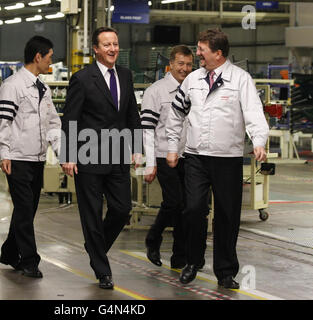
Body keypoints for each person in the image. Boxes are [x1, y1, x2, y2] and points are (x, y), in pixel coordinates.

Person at [166, 29, 269, 289]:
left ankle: (225, 271)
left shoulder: (241, 79)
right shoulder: (192, 80)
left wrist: (258, 142)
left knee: (227, 215)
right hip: (196, 157)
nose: (197, 53)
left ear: (218, 53)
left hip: (227, 159)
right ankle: (193, 261)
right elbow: (176, 114)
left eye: (202, 50)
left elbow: (254, 113)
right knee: (193, 210)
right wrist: (171, 147)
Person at [60, 27, 142, 289]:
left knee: (122, 209)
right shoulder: (82, 79)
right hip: (89, 155)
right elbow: (70, 118)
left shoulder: (126, 76)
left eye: (115, 44)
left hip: (117, 154)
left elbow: (132, 115)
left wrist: (137, 147)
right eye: (106, 44)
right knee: (92, 214)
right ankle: (102, 270)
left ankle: (95, 246)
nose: (112, 49)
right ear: (95, 49)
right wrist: (68, 154)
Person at [0, 36, 61, 278]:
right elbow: (3, 122)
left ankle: (10, 253)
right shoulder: (13, 85)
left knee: (28, 209)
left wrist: (62, 153)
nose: (51, 61)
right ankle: (29, 260)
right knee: (24, 209)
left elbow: (53, 121)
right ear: (38, 57)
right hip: (17, 158)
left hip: (37, 158)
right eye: (49, 56)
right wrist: (4, 152)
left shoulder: (43, 88)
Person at [142, 45, 207, 269]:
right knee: (175, 202)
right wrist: (149, 163)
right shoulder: (156, 91)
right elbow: (147, 130)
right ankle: (153, 238)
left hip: (189, 156)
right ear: (170, 65)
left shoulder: (197, 90)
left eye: (189, 64)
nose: (185, 69)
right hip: (163, 154)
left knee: (188, 207)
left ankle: (179, 258)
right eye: (181, 64)